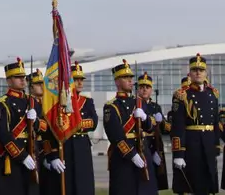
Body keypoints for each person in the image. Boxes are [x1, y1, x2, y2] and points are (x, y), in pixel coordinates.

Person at [102, 60, 156, 195]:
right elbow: (115, 136)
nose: (130, 80)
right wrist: (131, 154)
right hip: (123, 156)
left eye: (131, 77)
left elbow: (151, 128)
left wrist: (145, 118)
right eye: (125, 78)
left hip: (142, 150)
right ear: (117, 81)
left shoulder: (139, 102)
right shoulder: (111, 106)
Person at [43, 61, 97, 195]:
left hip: (82, 147)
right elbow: (48, 132)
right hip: (64, 146)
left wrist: (73, 124)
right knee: (65, 186)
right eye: (76, 79)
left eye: (81, 80)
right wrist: (52, 155)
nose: (79, 83)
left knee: (83, 185)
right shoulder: (58, 103)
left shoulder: (87, 101)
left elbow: (93, 122)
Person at [170, 54, 220, 195]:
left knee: (207, 184)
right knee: (192, 186)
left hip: (208, 144)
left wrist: (216, 144)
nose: (198, 72)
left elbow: (215, 122)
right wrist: (178, 153)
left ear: (206, 72)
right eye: (195, 70)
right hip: (192, 146)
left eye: (201, 70)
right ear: (189, 73)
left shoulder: (213, 94)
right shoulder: (182, 95)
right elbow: (178, 126)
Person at [0, 58, 39, 195]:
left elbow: (43, 128)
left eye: (23, 77)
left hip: (31, 152)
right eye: (18, 77)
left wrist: (36, 121)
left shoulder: (32, 101)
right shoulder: (2, 103)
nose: (23, 80)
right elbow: (3, 133)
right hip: (11, 157)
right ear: (9, 80)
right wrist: (22, 156)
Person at [136, 72, 168, 191]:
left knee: (154, 182)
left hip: (154, 145)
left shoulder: (156, 106)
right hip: (142, 144)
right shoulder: (135, 104)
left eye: (147, 87)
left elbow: (164, 129)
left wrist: (162, 122)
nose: (144, 90)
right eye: (142, 87)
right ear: (138, 89)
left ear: (151, 90)